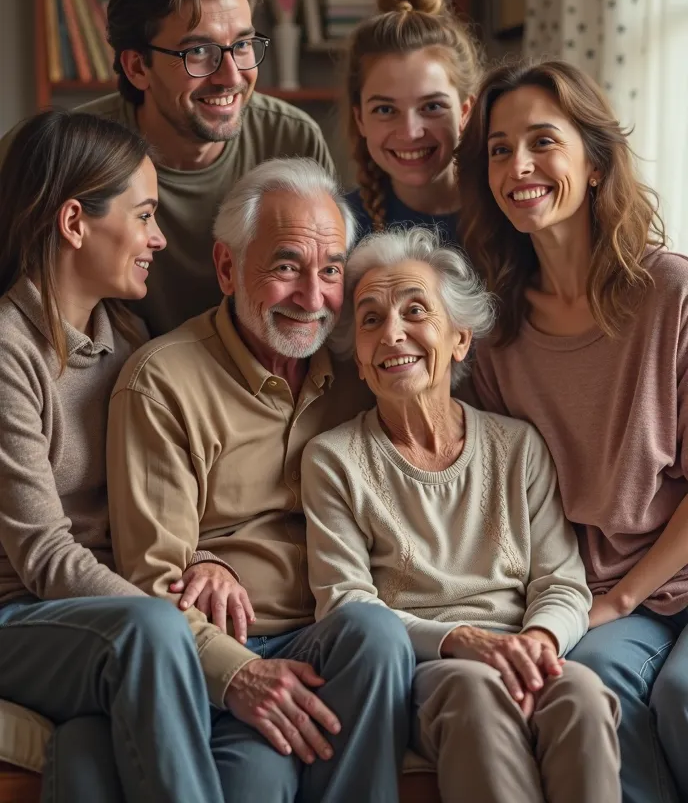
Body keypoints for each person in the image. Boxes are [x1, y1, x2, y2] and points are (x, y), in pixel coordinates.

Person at [106, 158, 415, 803]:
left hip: (336, 636)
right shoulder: (162, 382)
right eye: (284, 267)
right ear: (226, 268)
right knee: (257, 781)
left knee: (378, 633)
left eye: (331, 270)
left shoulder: (365, 369)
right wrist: (242, 672)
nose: (311, 296)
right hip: (231, 647)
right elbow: (151, 584)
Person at [301, 227, 621, 803]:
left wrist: (538, 643)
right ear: (361, 362)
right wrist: (464, 642)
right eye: (370, 319)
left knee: (583, 696)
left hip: (522, 645)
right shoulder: (334, 460)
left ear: (459, 340)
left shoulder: (517, 446)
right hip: (430, 665)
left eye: (416, 310)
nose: (392, 332)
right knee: (476, 694)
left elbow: (562, 580)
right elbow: (346, 606)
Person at [457, 59, 688, 803]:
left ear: (593, 162)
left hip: (657, 579)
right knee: (583, 688)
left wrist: (619, 601)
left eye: (542, 141)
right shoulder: (493, 333)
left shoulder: (671, 294)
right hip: (584, 595)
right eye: (498, 148)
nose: (518, 166)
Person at [0, 110, 230, 803]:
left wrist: (204, 559)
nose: (159, 238)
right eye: (145, 215)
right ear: (75, 223)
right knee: (150, 634)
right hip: (21, 617)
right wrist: (168, 619)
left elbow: (176, 489)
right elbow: (42, 556)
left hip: (103, 620)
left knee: (88, 752)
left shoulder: (128, 338)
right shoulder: (10, 351)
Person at [0, 0, 334, 336]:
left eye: (242, 45)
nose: (231, 76)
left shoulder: (293, 140)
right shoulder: (66, 156)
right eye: (198, 52)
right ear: (137, 66)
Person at [343, 0, 482, 244]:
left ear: (465, 112)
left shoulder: (511, 214)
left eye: (431, 106)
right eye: (385, 110)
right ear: (359, 118)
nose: (409, 132)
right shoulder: (338, 226)